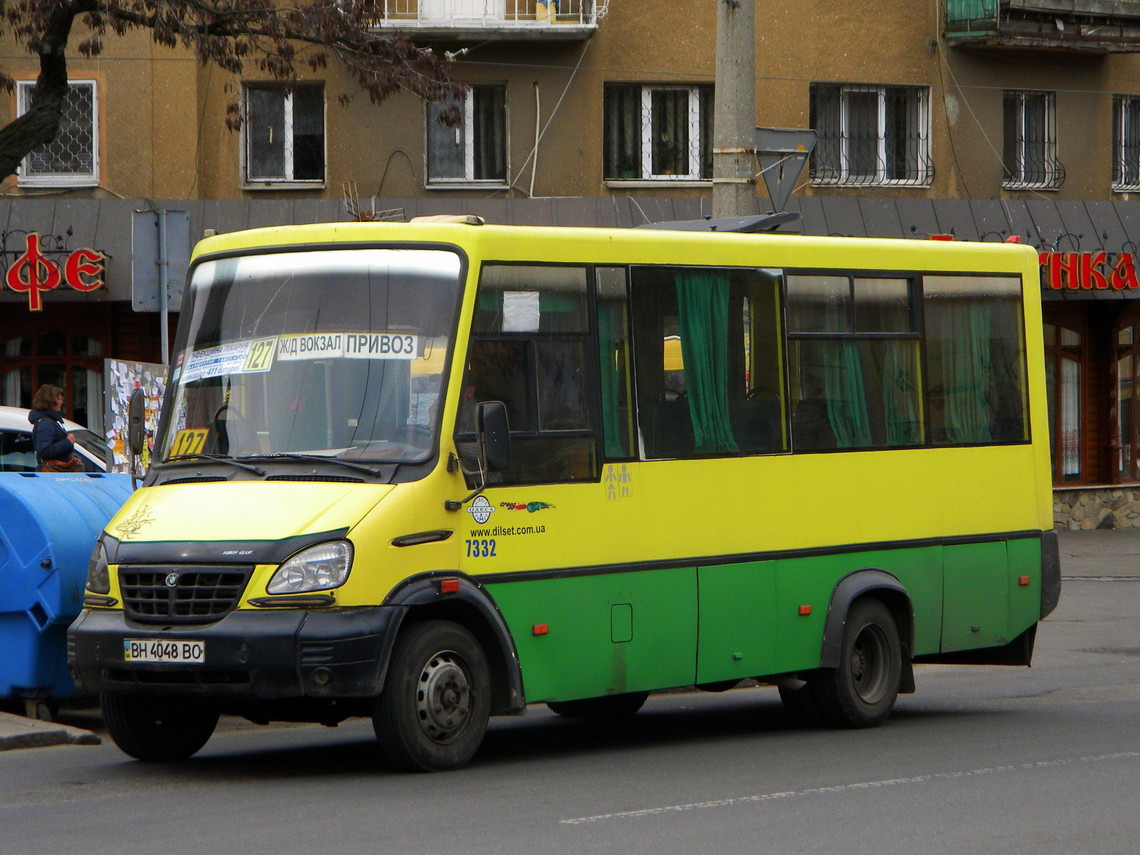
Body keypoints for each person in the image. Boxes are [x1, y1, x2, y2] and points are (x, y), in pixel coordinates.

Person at [28, 384, 82, 472]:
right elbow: (44, 450)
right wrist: (68, 442)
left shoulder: (51, 421)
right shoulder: (46, 423)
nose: (61, 402)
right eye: (59, 399)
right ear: (50, 401)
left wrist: (70, 458)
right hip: (52, 474)